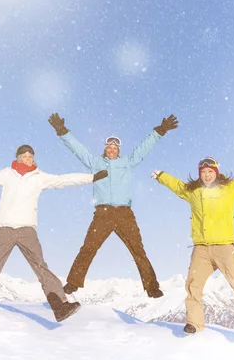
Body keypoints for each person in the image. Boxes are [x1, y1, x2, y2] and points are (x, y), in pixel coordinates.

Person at [0, 144, 108, 328]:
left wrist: (92, 178)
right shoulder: (6, 174)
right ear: (18, 157)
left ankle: (61, 307)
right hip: (4, 230)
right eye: (25, 155)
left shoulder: (39, 177)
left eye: (31, 156)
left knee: (41, 267)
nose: (28, 158)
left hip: (27, 230)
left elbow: (64, 179)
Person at [48, 113, 178, 298]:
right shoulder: (96, 163)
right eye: (109, 147)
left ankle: (151, 287)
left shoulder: (127, 162)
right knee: (89, 247)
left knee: (137, 249)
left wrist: (159, 131)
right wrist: (62, 131)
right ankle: (73, 283)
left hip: (125, 213)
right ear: (105, 149)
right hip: (103, 213)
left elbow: (143, 149)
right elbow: (78, 149)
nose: (111, 149)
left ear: (118, 150)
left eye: (115, 147)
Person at [151, 155, 234, 337]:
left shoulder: (229, 189)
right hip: (201, 249)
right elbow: (177, 186)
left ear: (216, 172)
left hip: (225, 247)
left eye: (210, 172)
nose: (207, 175)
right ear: (200, 174)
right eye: (203, 172)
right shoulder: (193, 192)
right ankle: (194, 323)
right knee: (193, 285)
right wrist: (161, 176)